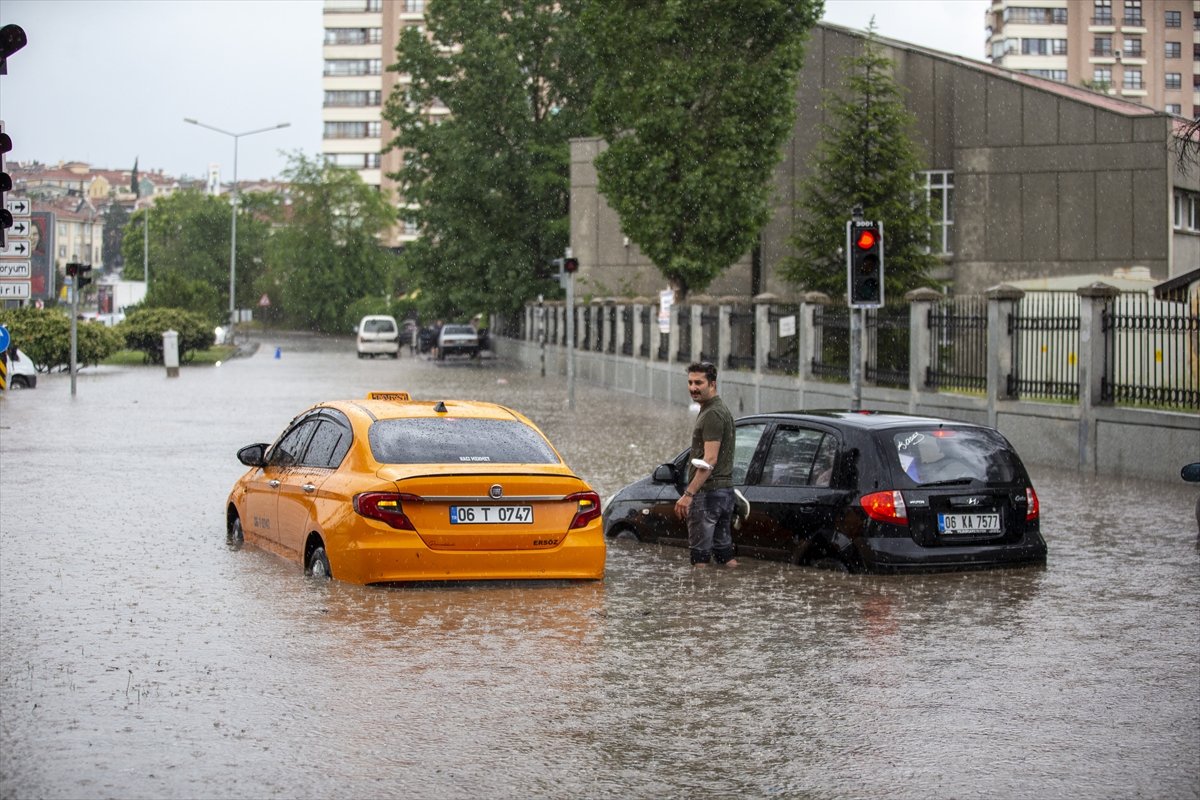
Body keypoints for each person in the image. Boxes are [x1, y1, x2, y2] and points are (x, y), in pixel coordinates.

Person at [674, 361, 737, 567]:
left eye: (699, 382)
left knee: (699, 559)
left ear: (712, 384)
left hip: (708, 494)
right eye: (690, 382)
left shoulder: (712, 414)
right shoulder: (717, 409)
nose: (693, 388)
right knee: (724, 554)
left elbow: (710, 459)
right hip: (724, 492)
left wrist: (688, 494)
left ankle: (698, 597)